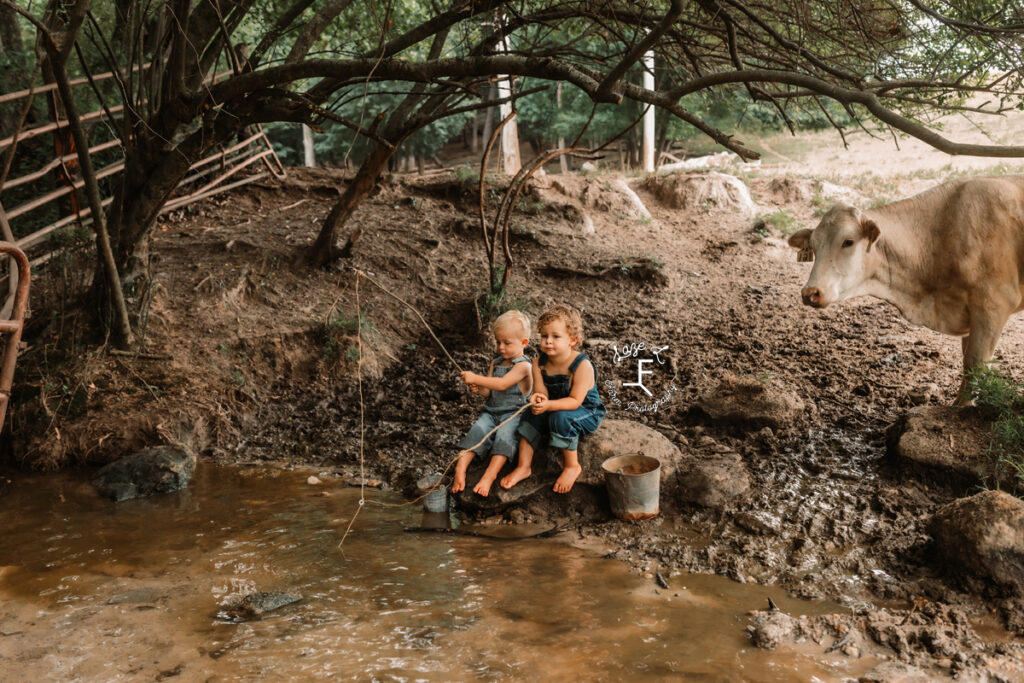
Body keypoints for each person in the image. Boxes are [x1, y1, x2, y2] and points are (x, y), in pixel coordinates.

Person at [501, 305, 605, 494]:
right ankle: (524, 466)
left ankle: (572, 466)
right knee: (529, 415)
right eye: (544, 336)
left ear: (572, 340)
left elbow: (575, 401)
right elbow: (542, 392)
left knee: (561, 418)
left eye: (556, 337)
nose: (548, 341)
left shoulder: (582, 365)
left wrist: (549, 405)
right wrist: (539, 400)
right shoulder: (538, 364)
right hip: (555, 406)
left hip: (584, 410)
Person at [453, 310, 533, 497]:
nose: (501, 347)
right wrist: (478, 387)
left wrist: (477, 378)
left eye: (507, 343)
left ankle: (489, 476)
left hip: (513, 414)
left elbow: (503, 383)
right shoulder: (496, 363)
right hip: (491, 412)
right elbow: (489, 391)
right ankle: (460, 468)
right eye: (498, 342)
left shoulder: (523, 366)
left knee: (504, 438)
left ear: (524, 343)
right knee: (476, 432)